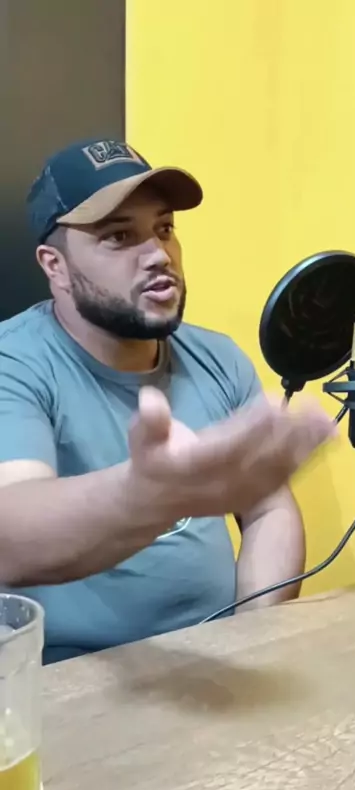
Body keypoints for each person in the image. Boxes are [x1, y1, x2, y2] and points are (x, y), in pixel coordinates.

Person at [0, 138, 335, 664]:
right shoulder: (14, 362)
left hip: (215, 656)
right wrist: (149, 496)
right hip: (69, 672)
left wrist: (254, 633)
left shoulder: (218, 358)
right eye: (119, 237)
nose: (158, 255)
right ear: (55, 266)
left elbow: (268, 511)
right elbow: (10, 537)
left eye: (163, 228)